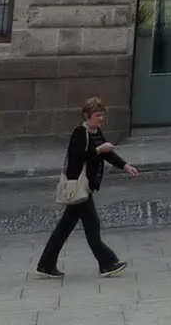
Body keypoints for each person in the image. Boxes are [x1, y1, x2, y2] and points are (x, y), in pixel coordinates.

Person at [36, 96, 139, 279]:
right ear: (87, 115)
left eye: (102, 116)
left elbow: (108, 154)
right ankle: (107, 263)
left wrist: (125, 166)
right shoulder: (79, 132)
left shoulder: (96, 132)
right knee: (93, 227)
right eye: (97, 115)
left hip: (86, 188)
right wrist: (99, 150)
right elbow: (78, 157)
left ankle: (46, 264)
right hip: (80, 188)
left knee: (64, 228)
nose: (101, 119)